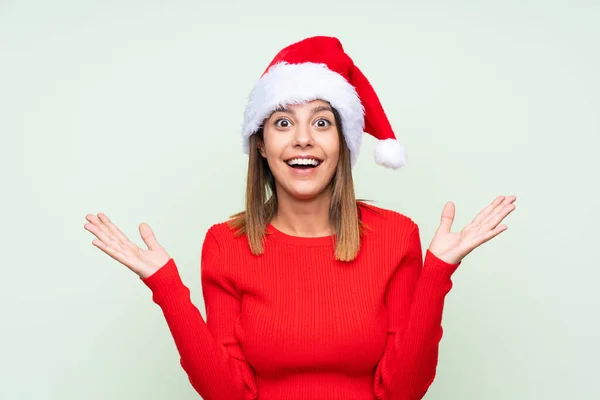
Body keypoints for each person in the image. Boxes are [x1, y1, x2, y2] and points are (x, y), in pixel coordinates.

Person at [84, 36, 516, 400]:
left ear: (344, 142)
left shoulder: (396, 236)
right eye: (284, 122)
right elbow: (228, 394)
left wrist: (436, 274)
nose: (303, 139)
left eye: (322, 122)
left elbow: (402, 391)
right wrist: (165, 285)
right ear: (261, 144)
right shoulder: (225, 244)